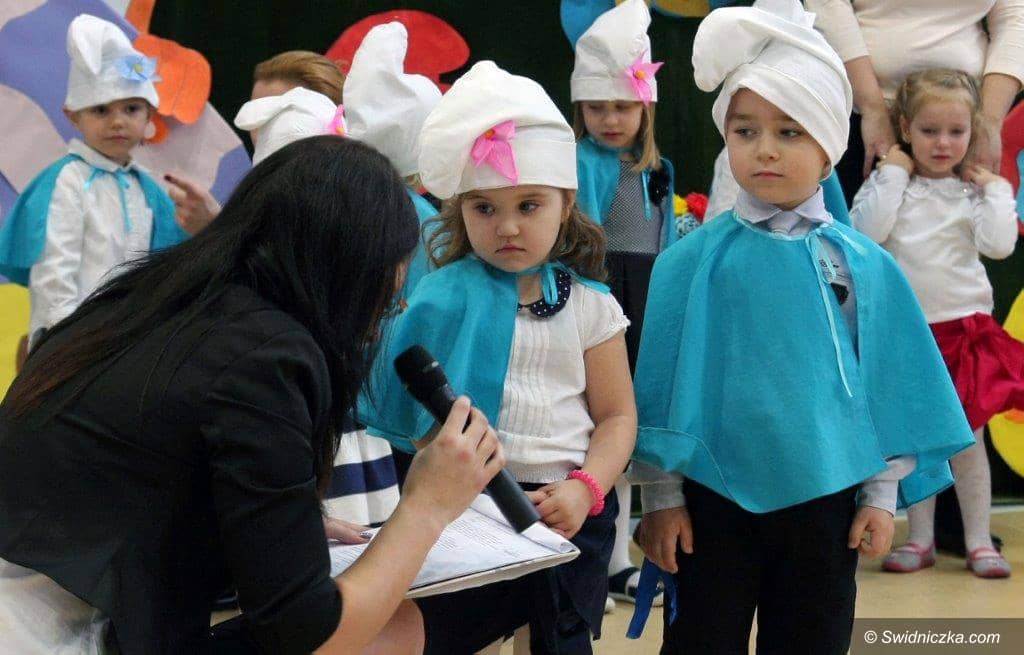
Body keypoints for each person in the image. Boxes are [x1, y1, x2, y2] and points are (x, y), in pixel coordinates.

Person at [0, 135, 506, 654]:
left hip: (39, 609)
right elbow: (312, 637)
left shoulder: (147, 300)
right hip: (58, 637)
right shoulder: (268, 354)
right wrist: (426, 505)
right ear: (354, 263)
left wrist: (278, 524)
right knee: (445, 612)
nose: (396, 302)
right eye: (396, 275)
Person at [629, 2, 975, 653]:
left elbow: (887, 387)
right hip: (710, 500)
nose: (765, 148)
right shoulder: (688, 264)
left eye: (790, 131)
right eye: (746, 130)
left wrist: (880, 495)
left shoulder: (861, 266)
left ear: (828, 147)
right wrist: (663, 497)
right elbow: (663, 388)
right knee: (703, 638)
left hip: (826, 499)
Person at [359, 61, 637, 654]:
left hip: (569, 507)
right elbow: (415, 416)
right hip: (467, 508)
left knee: (559, 643)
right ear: (459, 210)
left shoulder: (592, 307)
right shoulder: (438, 298)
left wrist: (586, 489)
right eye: (484, 208)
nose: (507, 227)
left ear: (566, 202)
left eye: (529, 205)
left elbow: (617, 417)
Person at [850, 68, 1021, 578]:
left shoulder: (973, 193)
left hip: (965, 333)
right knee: (916, 444)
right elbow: (867, 233)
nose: (943, 143)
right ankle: (920, 539)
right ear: (905, 127)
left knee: (969, 443)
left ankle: (978, 542)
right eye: (929, 131)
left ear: (973, 131)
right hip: (910, 337)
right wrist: (893, 173)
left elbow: (999, 245)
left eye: (956, 131)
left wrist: (996, 188)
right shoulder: (891, 185)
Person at [0, 14, 188, 350]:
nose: (117, 122)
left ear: (149, 115)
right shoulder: (68, 181)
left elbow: (159, 268)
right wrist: (66, 339)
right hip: (72, 343)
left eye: (131, 109)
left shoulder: (147, 189)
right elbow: (54, 271)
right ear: (74, 116)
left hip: (125, 342)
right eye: (101, 110)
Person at [569, 0, 673, 607]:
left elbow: (666, 244)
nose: (610, 119)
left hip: (648, 303)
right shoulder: (581, 161)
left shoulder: (658, 168)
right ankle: (594, 559)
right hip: (601, 302)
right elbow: (581, 240)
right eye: (596, 107)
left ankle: (618, 562)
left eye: (623, 106)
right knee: (601, 428)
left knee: (632, 430)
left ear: (645, 107)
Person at [806, 0, 1024, 202]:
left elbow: (1015, 16)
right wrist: (872, 109)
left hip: (967, 121)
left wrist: (988, 123)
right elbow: (828, 5)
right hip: (862, 113)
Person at [164, 49, 346, 234]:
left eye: (274, 115)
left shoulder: (345, 194)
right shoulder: (254, 190)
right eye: (253, 116)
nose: (258, 133)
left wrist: (214, 227)